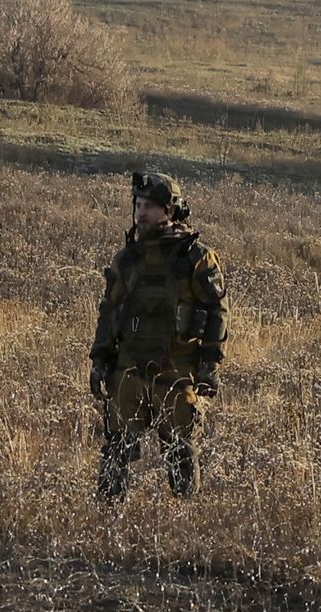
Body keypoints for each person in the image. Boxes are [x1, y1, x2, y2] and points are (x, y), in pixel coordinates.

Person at [90, 170, 224, 503]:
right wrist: (99, 360)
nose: (141, 212)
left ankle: (183, 523)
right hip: (129, 371)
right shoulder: (128, 258)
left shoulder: (196, 259)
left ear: (170, 210)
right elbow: (109, 312)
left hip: (176, 373)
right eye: (138, 204)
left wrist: (210, 366)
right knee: (116, 450)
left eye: (150, 205)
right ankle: (108, 519)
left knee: (180, 453)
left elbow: (217, 314)